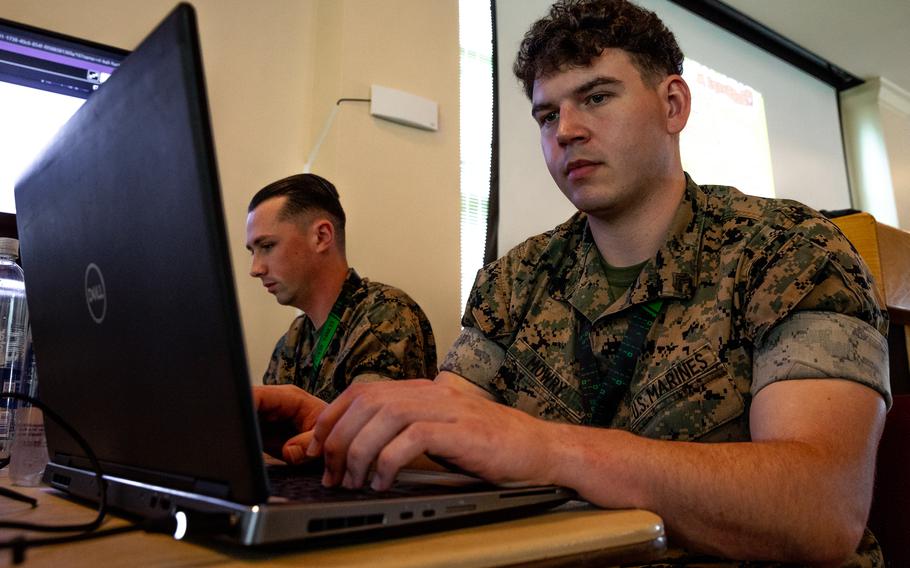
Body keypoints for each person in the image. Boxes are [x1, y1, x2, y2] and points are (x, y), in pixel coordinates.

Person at [254, 2, 891, 565]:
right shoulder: (516, 278)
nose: (566, 131)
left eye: (596, 97)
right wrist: (352, 427)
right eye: (545, 114)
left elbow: (821, 508)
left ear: (674, 105)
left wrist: (548, 448)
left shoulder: (790, 251)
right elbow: (451, 436)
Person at [246, 173, 438, 459]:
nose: (256, 268)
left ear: (322, 236)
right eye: (252, 251)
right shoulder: (293, 341)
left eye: (267, 246)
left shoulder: (385, 315)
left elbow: (367, 441)